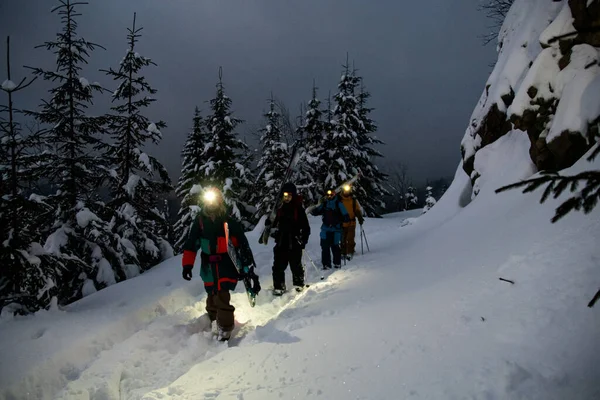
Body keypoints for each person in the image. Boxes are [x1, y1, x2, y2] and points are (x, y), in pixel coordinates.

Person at [181, 187, 258, 341]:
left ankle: (225, 327)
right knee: (211, 292)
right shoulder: (200, 221)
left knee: (222, 293)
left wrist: (246, 263)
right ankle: (212, 315)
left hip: (225, 263)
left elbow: (242, 242)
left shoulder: (228, 220)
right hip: (208, 264)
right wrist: (187, 265)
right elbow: (191, 243)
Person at [266, 182, 311, 295]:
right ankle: (279, 286)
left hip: (294, 241)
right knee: (278, 266)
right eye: (285, 196)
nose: (286, 198)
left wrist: (304, 240)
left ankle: (299, 284)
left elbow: (306, 227)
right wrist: (269, 223)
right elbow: (274, 222)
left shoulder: (298, 209)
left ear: (293, 196)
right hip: (281, 241)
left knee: (295, 265)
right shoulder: (280, 209)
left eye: (289, 196)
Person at [311, 188, 350, 269]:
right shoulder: (324, 204)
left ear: (334, 195)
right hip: (325, 229)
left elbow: (346, 216)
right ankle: (326, 264)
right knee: (325, 247)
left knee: (335, 246)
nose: (329, 196)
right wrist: (314, 208)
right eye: (328, 195)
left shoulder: (338, 203)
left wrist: (342, 220)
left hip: (336, 229)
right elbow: (317, 212)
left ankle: (337, 263)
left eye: (331, 194)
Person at [340, 184, 364, 261]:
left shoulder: (353, 200)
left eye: (348, 190)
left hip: (351, 222)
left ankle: (350, 251)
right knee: (343, 238)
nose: (346, 192)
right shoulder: (340, 200)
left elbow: (357, 209)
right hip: (342, 222)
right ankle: (343, 252)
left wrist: (359, 217)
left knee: (350, 238)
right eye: (345, 190)